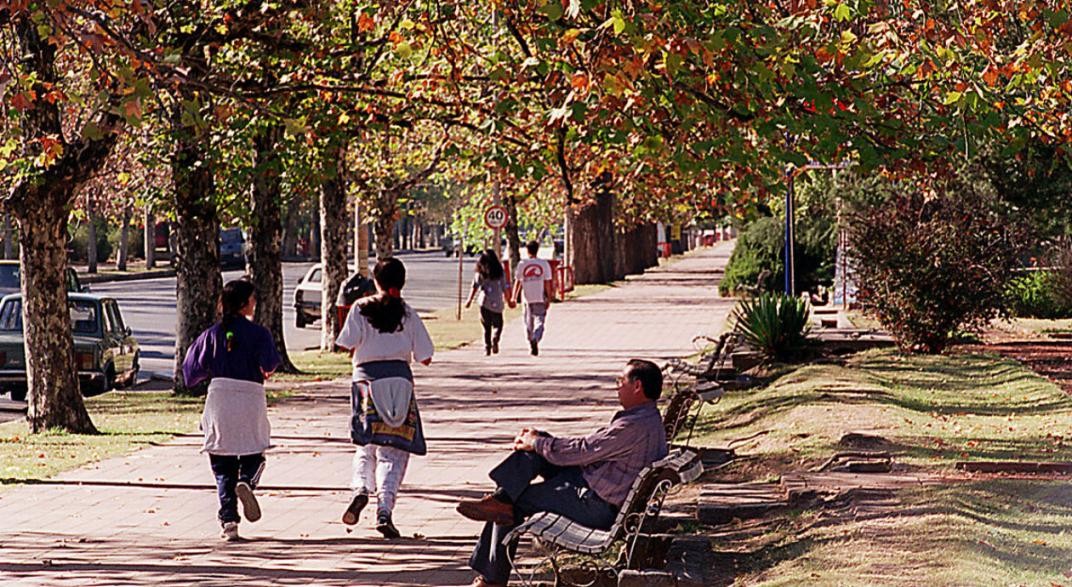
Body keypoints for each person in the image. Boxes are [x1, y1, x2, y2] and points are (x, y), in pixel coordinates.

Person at [457, 359, 668, 587]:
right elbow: (588, 448)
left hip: (595, 505)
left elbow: (585, 450)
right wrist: (539, 441)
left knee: (514, 502)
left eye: (621, 381)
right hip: (593, 488)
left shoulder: (633, 427)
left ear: (637, 386)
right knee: (535, 453)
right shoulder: (646, 419)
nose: (617, 387)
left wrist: (539, 442)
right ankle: (499, 500)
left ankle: (493, 578)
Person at [336, 257, 435, 539]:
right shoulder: (408, 312)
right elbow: (425, 357)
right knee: (394, 452)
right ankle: (385, 510)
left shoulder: (360, 308)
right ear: (402, 283)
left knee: (365, 446)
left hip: (366, 383)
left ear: (375, 282)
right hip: (400, 384)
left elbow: (344, 344)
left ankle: (360, 489)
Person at [182, 279, 282, 542]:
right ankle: (247, 481)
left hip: (219, 399)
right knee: (255, 452)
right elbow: (270, 364)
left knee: (222, 465)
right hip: (250, 397)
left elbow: (190, 372)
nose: (255, 303)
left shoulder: (210, 335)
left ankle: (229, 522)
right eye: (252, 299)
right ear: (244, 304)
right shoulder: (259, 334)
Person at [465, 249, 514, 356]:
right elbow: (504, 287)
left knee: (486, 326)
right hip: (497, 300)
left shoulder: (480, 272)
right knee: (498, 324)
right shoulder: (499, 271)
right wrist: (508, 300)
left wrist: (469, 300)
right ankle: (495, 338)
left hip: (484, 301)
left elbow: (475, 286)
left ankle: (487, 348)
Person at [512, 240, 554, 356]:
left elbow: (518, 282)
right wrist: (549, 297)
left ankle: (531, 339)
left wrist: (514, 297)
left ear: (527, 250)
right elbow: (547, 282)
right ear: (538, 249)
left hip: (527, 297)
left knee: (528, 322)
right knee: (540, 320)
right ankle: (536, 337)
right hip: (540, 296)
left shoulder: (522, 264)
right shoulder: (544, 264)